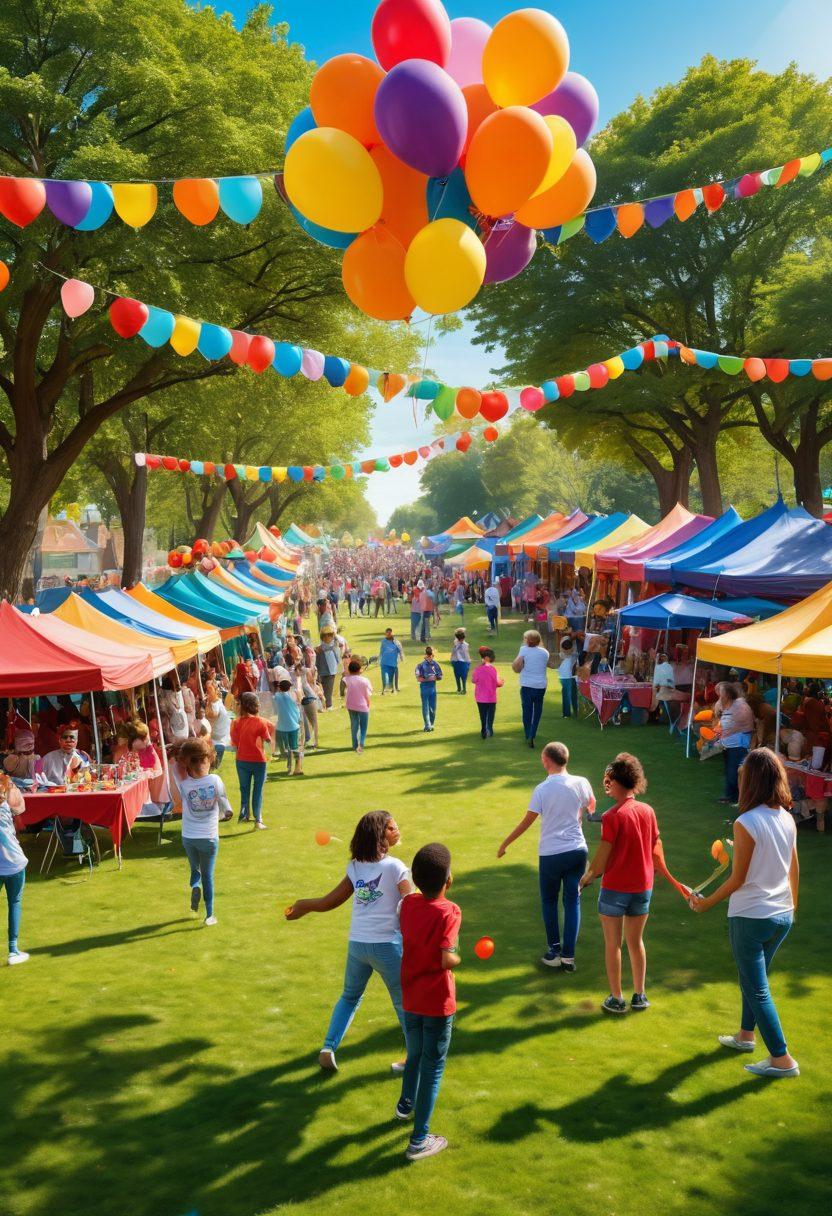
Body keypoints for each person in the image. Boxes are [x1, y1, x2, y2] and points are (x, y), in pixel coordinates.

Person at [689, 747, 799, 1078]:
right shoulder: (787, 818)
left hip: (751, 916)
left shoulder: (745, 822)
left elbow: (738, 878)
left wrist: (706, 902)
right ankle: (745, 1036)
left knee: (756, 988)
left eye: (741, 777)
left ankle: (782, 1059)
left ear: (751, 781)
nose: (738, 782)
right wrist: (792, 907)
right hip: (782, 915)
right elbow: (794, 868)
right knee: (753, 980)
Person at [286, 811, 412, 1073]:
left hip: (358, 945)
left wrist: (303, 906)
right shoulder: (396, 867)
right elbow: (411, 905)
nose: (397, 830)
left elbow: (329, 902)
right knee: (403, 1002)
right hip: (388, 945)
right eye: (392, 828)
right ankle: (415, 1057)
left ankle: (328, 1048)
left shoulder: (355, 867)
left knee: (349, 996)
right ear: (379, 836)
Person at [579, 752, 684, 1014]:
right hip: (642, 887)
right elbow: (656, 844)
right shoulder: (648, 811)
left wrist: (588, 876)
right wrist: (659, 868)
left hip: (615, 888)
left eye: (609, 781)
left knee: (613, 944)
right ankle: (640, 995)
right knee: (636, 942)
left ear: (618, 782)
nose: (607, 784)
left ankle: (617, 998)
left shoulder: (612, 816)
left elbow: (604, 854)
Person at [498, 742, 595, 969]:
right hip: (577, 850)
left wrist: (505, 843)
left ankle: (554, 951)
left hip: (551, 854)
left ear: (546, 761)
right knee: (572, 901)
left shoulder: (542, 789)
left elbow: (527, 822)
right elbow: (591, 806)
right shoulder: (582, 782)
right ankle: (568, 957)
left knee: (549, 901)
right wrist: (578, 815)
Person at [396, 842, 461, 1162]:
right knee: (432, 1067)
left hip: (411, 997)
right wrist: (458, 958)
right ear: (448, 880)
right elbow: (447, 958)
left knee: (415, 1054)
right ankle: (419, 1140)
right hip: (437, 1001)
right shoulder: (450, 911)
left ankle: (404, 1105)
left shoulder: (408, 904)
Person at [177, 737, 232, 926]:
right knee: (208, 875)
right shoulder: (216, 780)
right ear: (207, 759)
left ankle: (194, 885)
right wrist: (228, 813)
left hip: (188, 837)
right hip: (209, 837)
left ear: (188, 764)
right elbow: (225, 803)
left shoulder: (184, 785)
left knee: (195, 869)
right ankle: (209, 915)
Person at [229, 691, 273, 828]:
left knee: (244, 789)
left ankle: (244, 815)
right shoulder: (261, 722)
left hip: (241, 760)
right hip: (259, 761)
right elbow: (268, 740)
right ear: (255, 705)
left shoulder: (235, 723)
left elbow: (235, 743)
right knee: (257, 790)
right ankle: (258, 820)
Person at [0, 776, 29, 964]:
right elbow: (19, 806)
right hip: (15, 864)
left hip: (12, 864)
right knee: (15, 903)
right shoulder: (5, 808)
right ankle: (13, 951)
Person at [512, 630, 553, 748]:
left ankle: (528, 734)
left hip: (527, 685)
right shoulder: (545, 652)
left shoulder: (524, 650)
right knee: (537, 710)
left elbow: (516, 665)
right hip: (540, 685)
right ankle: (533, 733)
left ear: (528, 640)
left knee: (527, 711)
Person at [715, 683, 755, 805]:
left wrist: (722, 735)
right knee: (729, 771)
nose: (719, 697)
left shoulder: (740, 706)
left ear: (727, 694)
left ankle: (739, 797)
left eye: (721, 694)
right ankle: (730, 795)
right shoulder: (730, 705)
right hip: (729, 745)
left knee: (735, 772)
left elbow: (740, 726)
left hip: (738, 745)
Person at [273, 678, 304, 776]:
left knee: (287, 749)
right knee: (294, 747)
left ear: (279, 688)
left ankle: (290, 768)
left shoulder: (277, 696)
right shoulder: (292, 697)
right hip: (294, 726)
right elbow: (298, 704)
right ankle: (297, 766)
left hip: (282, 727)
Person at [471, 647, 503, 738]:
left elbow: (473, 680)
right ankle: (489, 728)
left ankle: (483, 729)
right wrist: (501, 682)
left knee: (483, 714)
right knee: (491, 714)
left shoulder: (478, 669)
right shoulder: (493, 669)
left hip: (480, 697)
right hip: (491, 697)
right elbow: (497, 683)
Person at [343, 657, 373, 754]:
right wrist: (368, 704)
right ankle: (360, 745)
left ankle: (354, 745)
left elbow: (346, 674)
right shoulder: (365, 680)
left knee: (354, 725)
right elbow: (367, 694)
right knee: (363, 727)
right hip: (362, 706)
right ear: (359, 669)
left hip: (350, 705)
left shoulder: (347, 679)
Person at [205, 680, 232, 767]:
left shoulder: (216, 702)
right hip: (217, 740)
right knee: (213, 765)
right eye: (206, 689)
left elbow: (214, 714)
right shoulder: (214, 703)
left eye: (210, 689)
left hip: (220, 739)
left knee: (214, 765)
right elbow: (213, 715)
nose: (207, 692)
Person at [415, 647, 443, 733]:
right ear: (426, 655)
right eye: (429, 656)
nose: (430, 658)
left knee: (433, 708)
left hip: (433, 689)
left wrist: (435, 677)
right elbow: (418, 679)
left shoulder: (436, 665)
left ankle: (431, 724)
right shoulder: (420, 666)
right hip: (424, 689)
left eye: (432, 656)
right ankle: (427, 725)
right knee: (425, 707)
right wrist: (430, 678)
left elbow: (440, 676)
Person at [315, 626, 342, 710]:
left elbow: (338, 658)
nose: (327, 637)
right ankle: (324, 705)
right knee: (322, 688)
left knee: (328, 689)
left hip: (331, 670)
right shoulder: (319, 648)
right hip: (322, 670)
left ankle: (328, 705)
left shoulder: (334, 646)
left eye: (329, 635)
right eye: (325, 635)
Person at [557, 638, 579, 719]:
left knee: (569, 695)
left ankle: (568, 713)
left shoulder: (570, 654)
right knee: (572, 694)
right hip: (567, 677)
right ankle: (573, 712)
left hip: (568, 677)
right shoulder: (571, 654)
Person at [379, 627, 404, 695]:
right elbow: (381, 651)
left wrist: (401, 658)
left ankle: (394, 688)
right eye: (387, 633)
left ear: (392, 634)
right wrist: (379, 660)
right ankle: (384, 690)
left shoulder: (397, 642)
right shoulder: (383, 642)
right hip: (384, 663)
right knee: (385, 677)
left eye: (390, 633)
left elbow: (400, 651)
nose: (388, 635)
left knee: (391, 678)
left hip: (393, 664)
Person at [450, 629, 471, 695]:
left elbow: (467, 654)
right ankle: (459, 688)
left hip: (463, 662)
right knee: (457, 676)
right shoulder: (456, 644)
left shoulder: (465, 645)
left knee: (464, 676)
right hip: (457, 662)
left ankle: (464, 689)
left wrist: (468, 662)